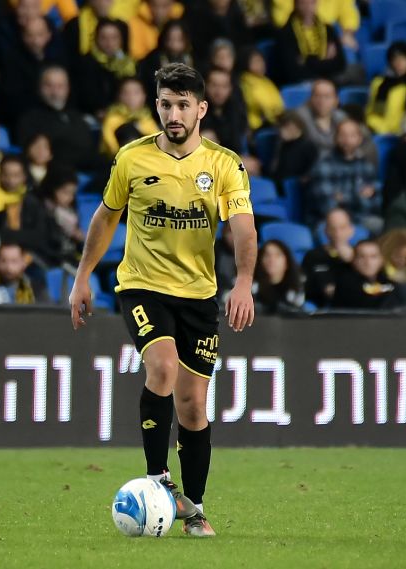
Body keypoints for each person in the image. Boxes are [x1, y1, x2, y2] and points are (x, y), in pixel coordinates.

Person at [68, 63, 257, 537]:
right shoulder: (132, 158)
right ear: (156, 106)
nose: (174, 115)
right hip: (143, 285)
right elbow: (105, 217)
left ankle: (195, 509)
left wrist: (244, 282)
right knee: (163, 367)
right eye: (166, 105)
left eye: (183, 106)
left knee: (193, 405)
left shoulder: (224, 165)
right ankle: (157, 480)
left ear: (201, 109)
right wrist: (83, 276)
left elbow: (243, 229)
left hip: (198, 295)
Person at [0, 154, 53, 264]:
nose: (10, 180)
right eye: (6, 174)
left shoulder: (32, 201)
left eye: (16, 175)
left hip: (30, 258)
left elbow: (40, 236)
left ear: (24, 176)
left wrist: (14, 243)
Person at [15, 66, 97, 170]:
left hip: (87, 166)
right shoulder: (30, 118)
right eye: (49, 86)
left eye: (60, 86)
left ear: (68, 89)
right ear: (39, 88)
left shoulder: (76, 117)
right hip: (55, 170)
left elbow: (89, 148)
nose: (55, 92)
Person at [0, 16, 67, 130]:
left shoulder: (58, 59)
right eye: (30, 35)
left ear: (48, 35)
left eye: (40, 35)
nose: (35, 41)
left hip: (55, 118)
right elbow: (10, 102)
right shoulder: (12, 62)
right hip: (23, 121)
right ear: (23, 36)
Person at [308, 118, 380, 230]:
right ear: (335, 138)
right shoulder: (323, 165)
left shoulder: (366, 166)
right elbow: (327, 207)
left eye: (352, 135)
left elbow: (377, 203)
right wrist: (360, 196)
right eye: (342, 135)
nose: (347, 140)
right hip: (329, 224)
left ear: (359, 139)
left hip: (361, 219)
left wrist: (343, 198)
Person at [273, 0, 345, 85]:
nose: (307, 7)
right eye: (303, 3)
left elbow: (340, 64)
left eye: (311, 2)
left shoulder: (328, 30)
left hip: (329, 79)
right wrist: (324, 62)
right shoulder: (286, 33)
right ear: (295, 4)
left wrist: (307, 61)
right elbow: (292, 71)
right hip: (301, 82)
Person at [76, 18, 137, 117]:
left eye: (114, 37)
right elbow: (86, 97)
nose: (109, 43)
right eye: (103, 38)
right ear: (96, 39)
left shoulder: (129, 64)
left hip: (127, 114)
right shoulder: (85, 63)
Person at [0, 240, 50, 304]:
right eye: (3, 261)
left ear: (23, 262)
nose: (8, 267)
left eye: (14, 261)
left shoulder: (36, 287)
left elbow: (48, 313)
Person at [301, 207, 353, 307]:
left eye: (342, 228)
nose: (337, 233)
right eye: (332, 228)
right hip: (320, 309)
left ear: (351, 230)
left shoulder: (361, 257)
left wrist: (351, 261)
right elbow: (304, 287)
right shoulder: (312, 256)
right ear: (325, 230)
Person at [100, 77, 160, 157]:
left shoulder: (147, 120)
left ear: (144, 96)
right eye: (126, 93)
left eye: (136, 93)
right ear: (119, 96)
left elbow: (158, 145)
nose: (131, 97)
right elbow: (111, 147)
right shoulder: (112, 119)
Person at [137, 19, 194, 102]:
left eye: (179, 39)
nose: (174, 44)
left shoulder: (193, 59)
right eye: (170, 39)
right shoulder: (153, 60)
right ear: (163, 39)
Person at [39, 164, 85, 263]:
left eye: (72, 193)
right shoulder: (42, 210)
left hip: (71, 256)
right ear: (52, 189)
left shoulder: (71, 210)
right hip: (53, 260)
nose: (70, 198)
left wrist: (79, 239)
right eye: (65, 192)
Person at [331, 239, 395, 309]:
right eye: (362, 256)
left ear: (381, 260)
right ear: (354, 260)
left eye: (373, 256)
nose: (368, 262)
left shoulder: (390, 283)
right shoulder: (345, 283)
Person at [200, 67, 248, 154]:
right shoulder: (197, 112)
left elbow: (237, 146)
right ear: (205, 86)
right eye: (214, 85)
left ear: (230, 88)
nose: (219, 92)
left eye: (224, 86)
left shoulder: (236, 111)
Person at [253, 239, 305, 314]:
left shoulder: (296, 288)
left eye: (277, 255)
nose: (271, 260)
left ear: (287, 262)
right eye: (267, 255)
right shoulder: (251, 287)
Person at [238, 47, 284, 131]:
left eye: (261, 61)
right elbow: (261, 104)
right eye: (255, 62)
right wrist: (277, 116)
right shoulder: (246, 82)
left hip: (274, 120)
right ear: (246, 64)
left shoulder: (266, 81)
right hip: (258, 126)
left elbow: (279, 102)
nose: (260, 65)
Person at [269, 110, 318, 183]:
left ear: (296, 126)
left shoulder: (308, 147)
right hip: (277, 183)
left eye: (285, 127)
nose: (280, 131)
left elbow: (312, 172)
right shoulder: (281, 144)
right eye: (279, 127)